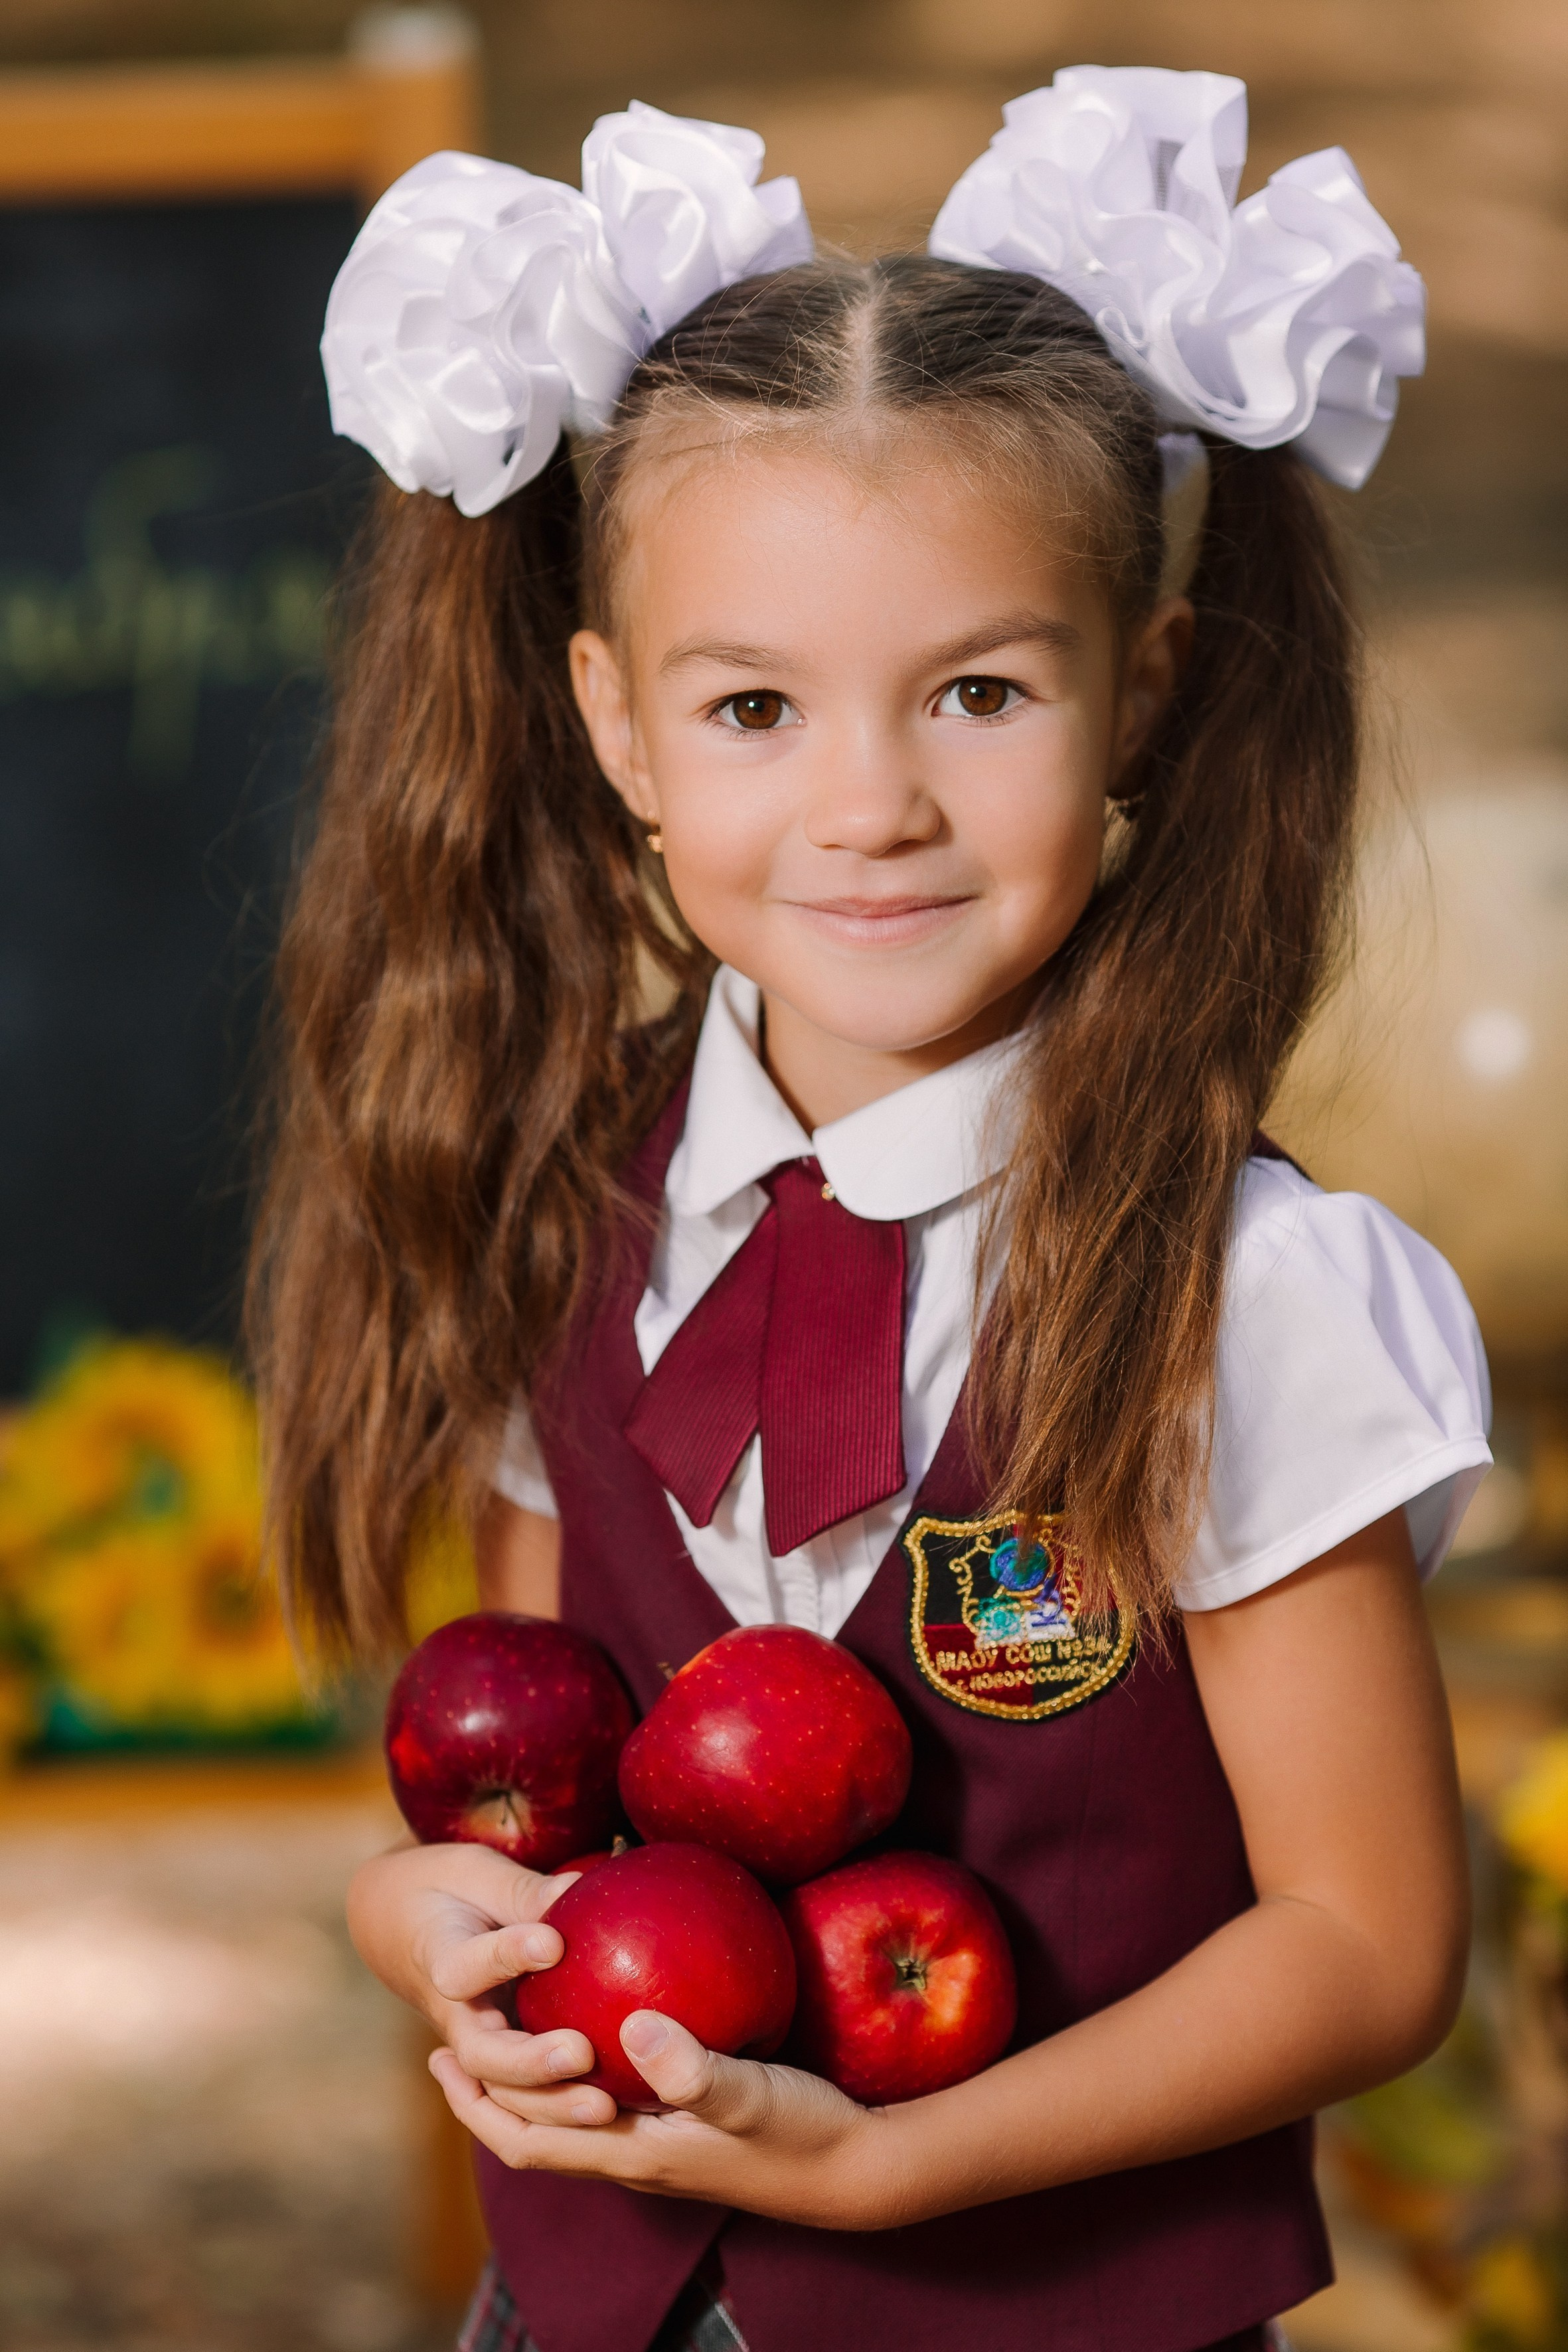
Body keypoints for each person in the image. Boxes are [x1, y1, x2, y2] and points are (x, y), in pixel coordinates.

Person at [253, 68, 1490, 2352]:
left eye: (979, 692)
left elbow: (1366, 1945)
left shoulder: (1246, 1296)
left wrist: (906, 2162)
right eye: (751, 709)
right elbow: (548, 1773)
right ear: (614, 728)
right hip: (592, 2312)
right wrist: (418, 1919)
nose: (870, 806)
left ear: (1143, 694)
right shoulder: (564, 1203)